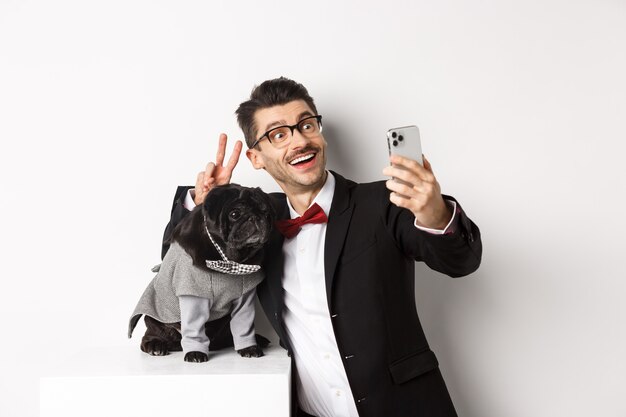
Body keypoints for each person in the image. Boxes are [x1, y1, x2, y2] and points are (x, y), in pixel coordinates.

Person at [161, 77, 482, 417]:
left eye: (306, 124)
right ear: (256, 158)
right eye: (278, 134)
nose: (299, 140)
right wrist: (203, 206)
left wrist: (435, 213)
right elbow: (177, 264)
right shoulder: (255, 221)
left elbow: (460, 262)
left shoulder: (385, 201)